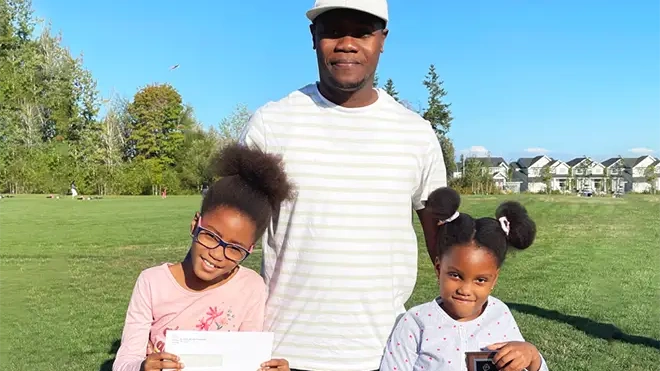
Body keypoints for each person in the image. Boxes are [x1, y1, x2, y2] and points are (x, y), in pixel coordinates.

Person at [239, 0, 446, 370]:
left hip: (387, 353)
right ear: (313, 37)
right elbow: (227, 236)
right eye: (334, 30)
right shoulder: (271, 124)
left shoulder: (417, 134)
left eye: (363, 32)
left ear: (383, 39)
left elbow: (444, 252)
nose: (347, 43)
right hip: (282, 355)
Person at [112, 143, 295, 371]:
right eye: (210, 236)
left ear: (249, 249)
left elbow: (246, 359)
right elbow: (123, 362)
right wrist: (141, 367)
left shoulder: (251, 287)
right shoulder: (152, 283)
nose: (217, 254)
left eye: (235, 249)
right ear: (194, 224)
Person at [379, 187, 549, 371]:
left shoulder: (500, 315)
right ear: (438, 268)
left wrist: (532, 357)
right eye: (455, 275)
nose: (465, 289)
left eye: (481, 280)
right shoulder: (416, 322)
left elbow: (521, 362)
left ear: (494, 279)